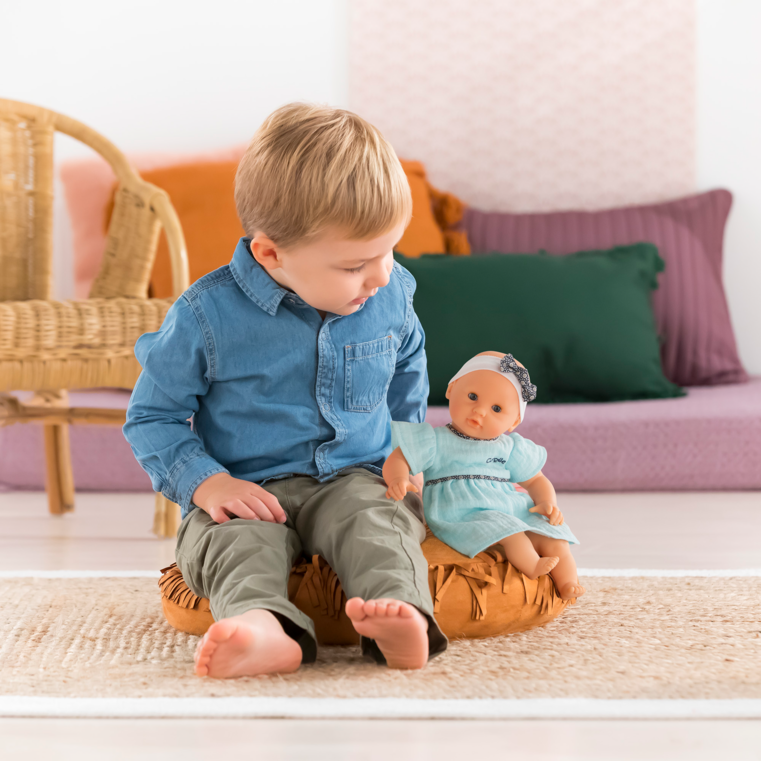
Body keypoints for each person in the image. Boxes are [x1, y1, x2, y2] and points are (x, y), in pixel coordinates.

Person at [124, 102, 448, 678]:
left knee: (380, 525)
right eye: (355, 265)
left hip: (356, 475)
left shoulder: (390, 292)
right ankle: (261, 628)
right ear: (271, 253)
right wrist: (208, 483)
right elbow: (153, 417)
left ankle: (405, 619)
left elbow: (408, 363)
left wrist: (406, 445)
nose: (380, 276)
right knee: (234, 544)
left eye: (389, 251)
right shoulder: (205, 316)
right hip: (248, 486)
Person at [383, 351, 585, 601]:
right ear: (451, 389)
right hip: (462, 509)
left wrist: (547, 503)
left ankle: (568, 584)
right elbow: (400, 458)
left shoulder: (508, 447)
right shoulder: (435, 440)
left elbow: (535, 480)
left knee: (553, 536)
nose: (479, 411)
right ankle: (532, 567)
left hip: (505, 503)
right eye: (472, 396)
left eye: (496, 408)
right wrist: (398, 478)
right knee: (511, 533)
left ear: (513, 423)